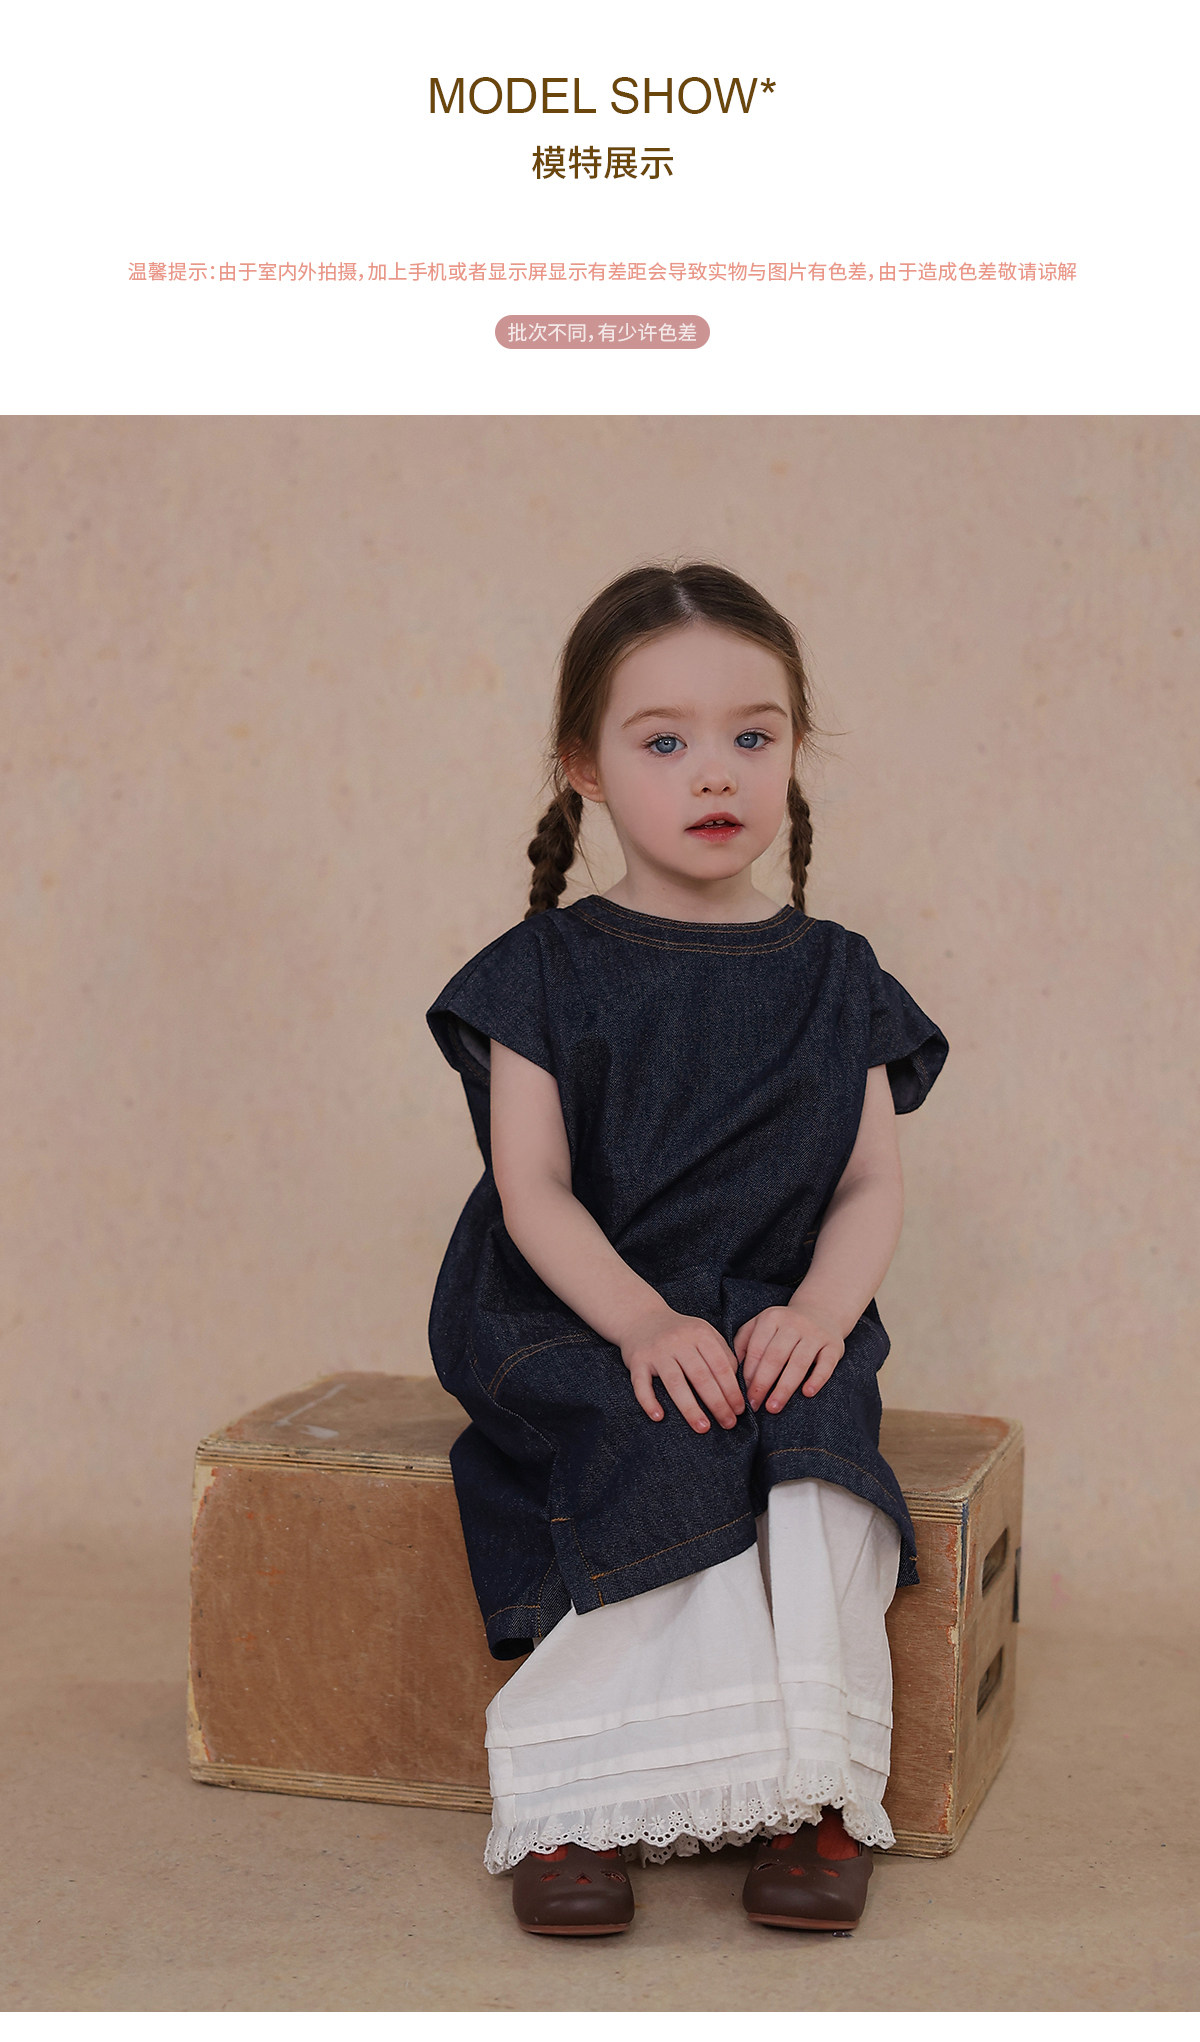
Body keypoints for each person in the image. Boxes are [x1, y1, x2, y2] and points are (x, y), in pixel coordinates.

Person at [425, 561, 949, 1936]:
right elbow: (533, 1190)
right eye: (664, 741)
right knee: (662, 1429)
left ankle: (816, 1788)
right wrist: (645, 1324)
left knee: (818, 1443)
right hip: (577, 1301)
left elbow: (868, 1183)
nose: (715, 771)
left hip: (772, 1294)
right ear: (583, 766)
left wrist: (822, 1312)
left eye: (752, 735)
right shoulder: (542, 969)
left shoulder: (838, 974)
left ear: (793, 750)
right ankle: (580, 1796)